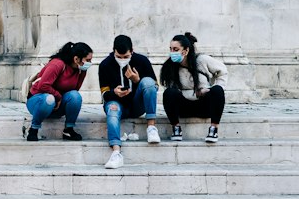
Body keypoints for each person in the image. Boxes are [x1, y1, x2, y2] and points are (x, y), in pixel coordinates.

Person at [98, 34, 160, 169]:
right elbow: (104, 95)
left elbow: (154, 87)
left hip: (137, 105)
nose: (122, 60)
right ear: (113, 51)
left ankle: (151, 127)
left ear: (132, 51)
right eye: (119, 57)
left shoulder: (142, 61)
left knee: (148, 82)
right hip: (117, 104)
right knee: (112, 109)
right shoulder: (105, 64)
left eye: (126, 57)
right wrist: (114, 92)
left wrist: (137, 81)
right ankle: (116, 153)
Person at [159, 31, 228, 144]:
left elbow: (223, 72)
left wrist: (212, 88)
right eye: (170, 49)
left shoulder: (202, 60)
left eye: (176, 50)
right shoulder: (170, 67)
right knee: (169, 93)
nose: (172, 52)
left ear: (185, 51)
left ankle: (213, 129)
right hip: (184, 107)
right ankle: (176, 128)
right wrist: (196, 93)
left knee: (218, 90)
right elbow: (173, 90)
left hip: (204, 105)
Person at [25, 41, 93, 142]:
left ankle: (68, 129)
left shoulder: (81, 70)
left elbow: (74, 90)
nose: (90, 63)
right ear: (76, 59)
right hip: (38, 102)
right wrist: (58, 96)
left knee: (75, 96)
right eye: (88, 60)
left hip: (56, 106)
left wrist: (61, 99)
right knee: (49, 99)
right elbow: (43, 85)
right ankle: (33, 130)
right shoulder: (58, 64)